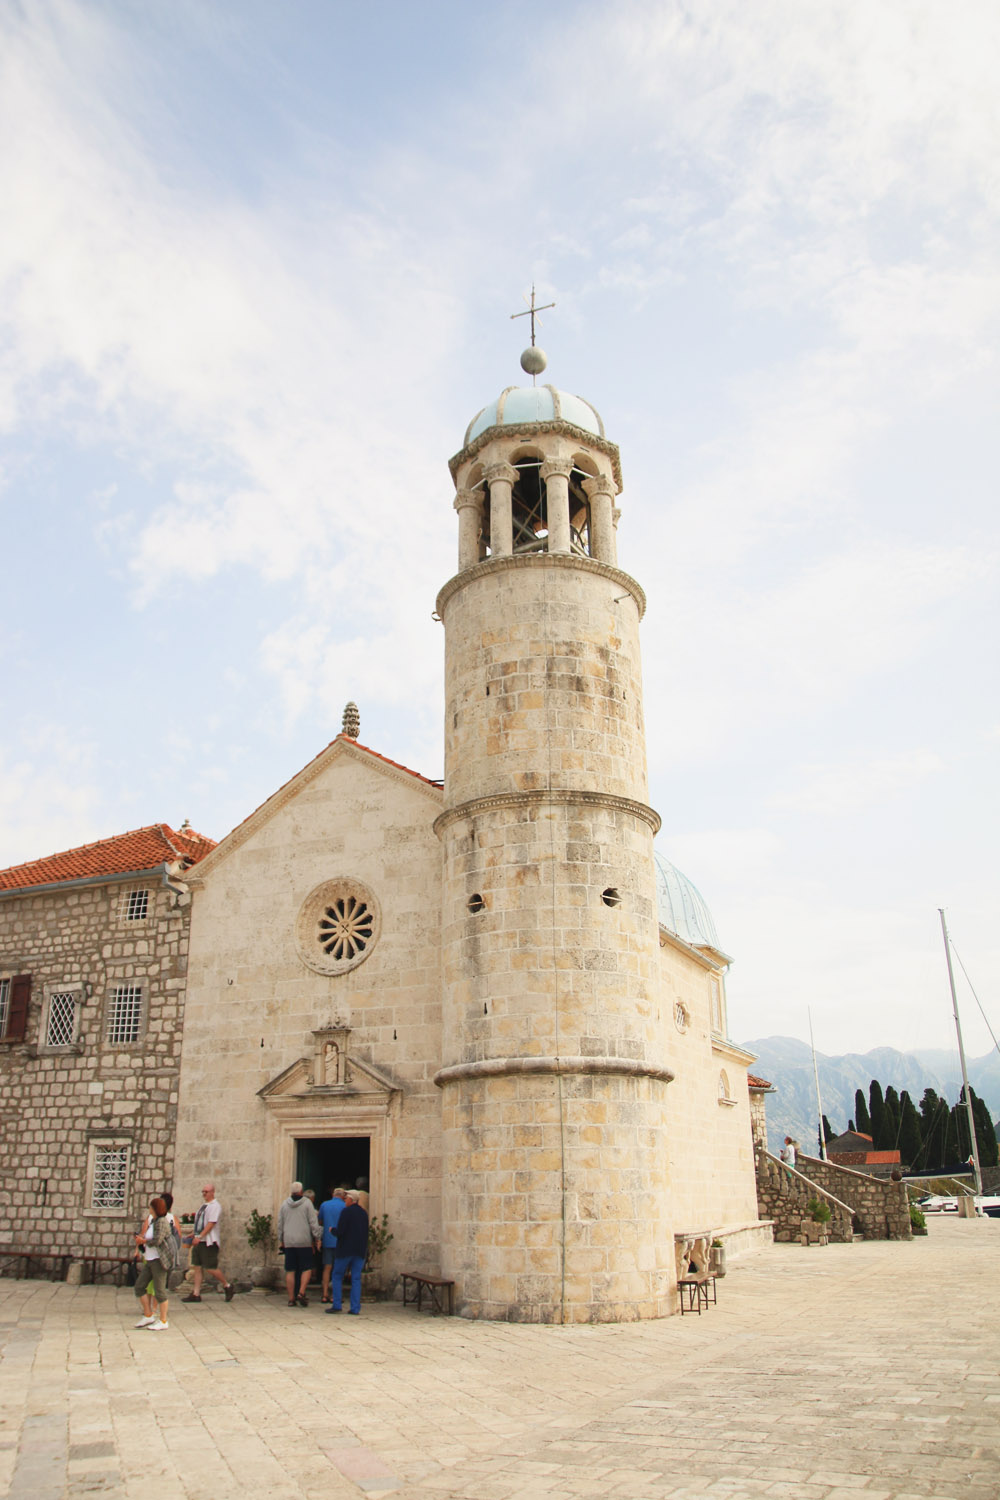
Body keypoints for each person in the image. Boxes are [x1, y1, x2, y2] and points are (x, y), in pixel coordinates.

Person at [182, 1182, 235, 1303]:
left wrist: (200, 1236)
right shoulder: (204, 1206)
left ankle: (227, 1285)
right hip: (199, 1240)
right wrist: (194, 1233)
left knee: (210, 1267)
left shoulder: (215, 1206)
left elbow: (211, 1223)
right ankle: (196, 1293)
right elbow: (201, 1223)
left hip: (208, 1241)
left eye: (206, 1192)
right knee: (197, 1266)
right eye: (203, 1192)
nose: (204, 1194)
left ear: (212, 1192)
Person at [134, 1196, 175, 1330]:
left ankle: (163, 1321)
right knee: (140, 1286)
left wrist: (144, 1241)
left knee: (160, 1291)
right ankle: (148, 1315)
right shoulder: (153, 1221)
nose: (149, 1209)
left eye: (151, 1207)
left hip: (159, 1260)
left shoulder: (162, 1222)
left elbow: (157, 1240)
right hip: (150, 1259)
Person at [325, 1189, 368, 1316]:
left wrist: (332, 1230)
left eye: (346, 1197)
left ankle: (337, 1305)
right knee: (355, 1278)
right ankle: (355, 1308)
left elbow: (341, 1232)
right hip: (359, 1250)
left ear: (352, 1199)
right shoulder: (363, 1213)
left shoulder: (346, 1212)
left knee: (337, 1276)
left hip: (345, 1250)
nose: (344, 1199)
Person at [278, 1180, 320, 1306]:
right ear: (301, 1191)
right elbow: (313, 1222)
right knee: (306, 1268)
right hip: (304, 1241)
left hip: (289, 1241)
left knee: (290, 1270)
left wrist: (281, 1240)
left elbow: (280, 1223)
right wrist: (317, 1237)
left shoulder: (284, 1204)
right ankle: (301, 1292)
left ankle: (291, 1299)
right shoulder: (307, 1204)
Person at [318, 1187, 347, 1303]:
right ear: (343, 1196)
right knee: (339, 1269)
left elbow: (320, 1221)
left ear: (333, 1195)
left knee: (327, 1268)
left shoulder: (324, 1205)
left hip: (328, 1240)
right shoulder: (345, 1206)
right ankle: (336, 1295)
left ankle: (325, 1294)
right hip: (341, 1241)